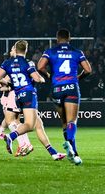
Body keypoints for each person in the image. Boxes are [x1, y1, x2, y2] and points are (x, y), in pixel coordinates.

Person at [0, 40, 66, 160]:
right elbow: (37, 78)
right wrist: (42, 79)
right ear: (26, 50)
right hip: (29, 94)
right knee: (29, 125)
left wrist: (10, 84)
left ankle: (53, 153)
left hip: (18, 96)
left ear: (15, 49)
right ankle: (11, 137)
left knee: (38, 124)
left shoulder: (7, 63)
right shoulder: (27, 63)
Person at [37, 28, 93, 165]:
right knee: (71, 121)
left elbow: (40, 66)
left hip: (57, 88)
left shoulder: (50, 52)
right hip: (71, 87)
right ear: (69, 38)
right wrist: (78, 77)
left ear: (57, 39)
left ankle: (74, 154)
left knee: (64, 122)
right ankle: (71, 147)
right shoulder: (77, 52)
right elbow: (88, 70)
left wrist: (49, 75)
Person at [0, 49, 33, 156]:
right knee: (17, 122)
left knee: (10, 121)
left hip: (14, 96)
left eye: (11, 52)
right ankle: (27, 145)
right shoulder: (24, 64)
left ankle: (23, 145)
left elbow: (9, 84)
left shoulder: (12, 66)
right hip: (21, 95)